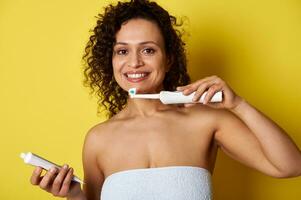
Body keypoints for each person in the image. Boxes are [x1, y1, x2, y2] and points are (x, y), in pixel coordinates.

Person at [29, 0, 301, 199]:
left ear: (169, 58)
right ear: (109, 60)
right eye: (122, 51)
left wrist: (238, 105)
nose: (134, 62)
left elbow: (290, 166)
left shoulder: (206, 121)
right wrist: (75, 194)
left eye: (148, 49)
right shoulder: (99, 139)